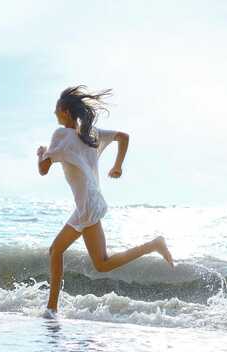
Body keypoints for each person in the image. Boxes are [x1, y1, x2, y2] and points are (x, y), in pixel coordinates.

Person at [37, 85, 174, 313]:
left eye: (56, 110)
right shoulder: (91, 134)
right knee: (100, 263)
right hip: (91, 203)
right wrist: (118, 166)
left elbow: (43, 170)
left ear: (65, 112)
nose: (54, 114)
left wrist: (41, 153)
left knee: (58, 251)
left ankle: (52, 308)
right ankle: (154, 244)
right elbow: (123, 137)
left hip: (87, 207)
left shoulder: (61, 135)